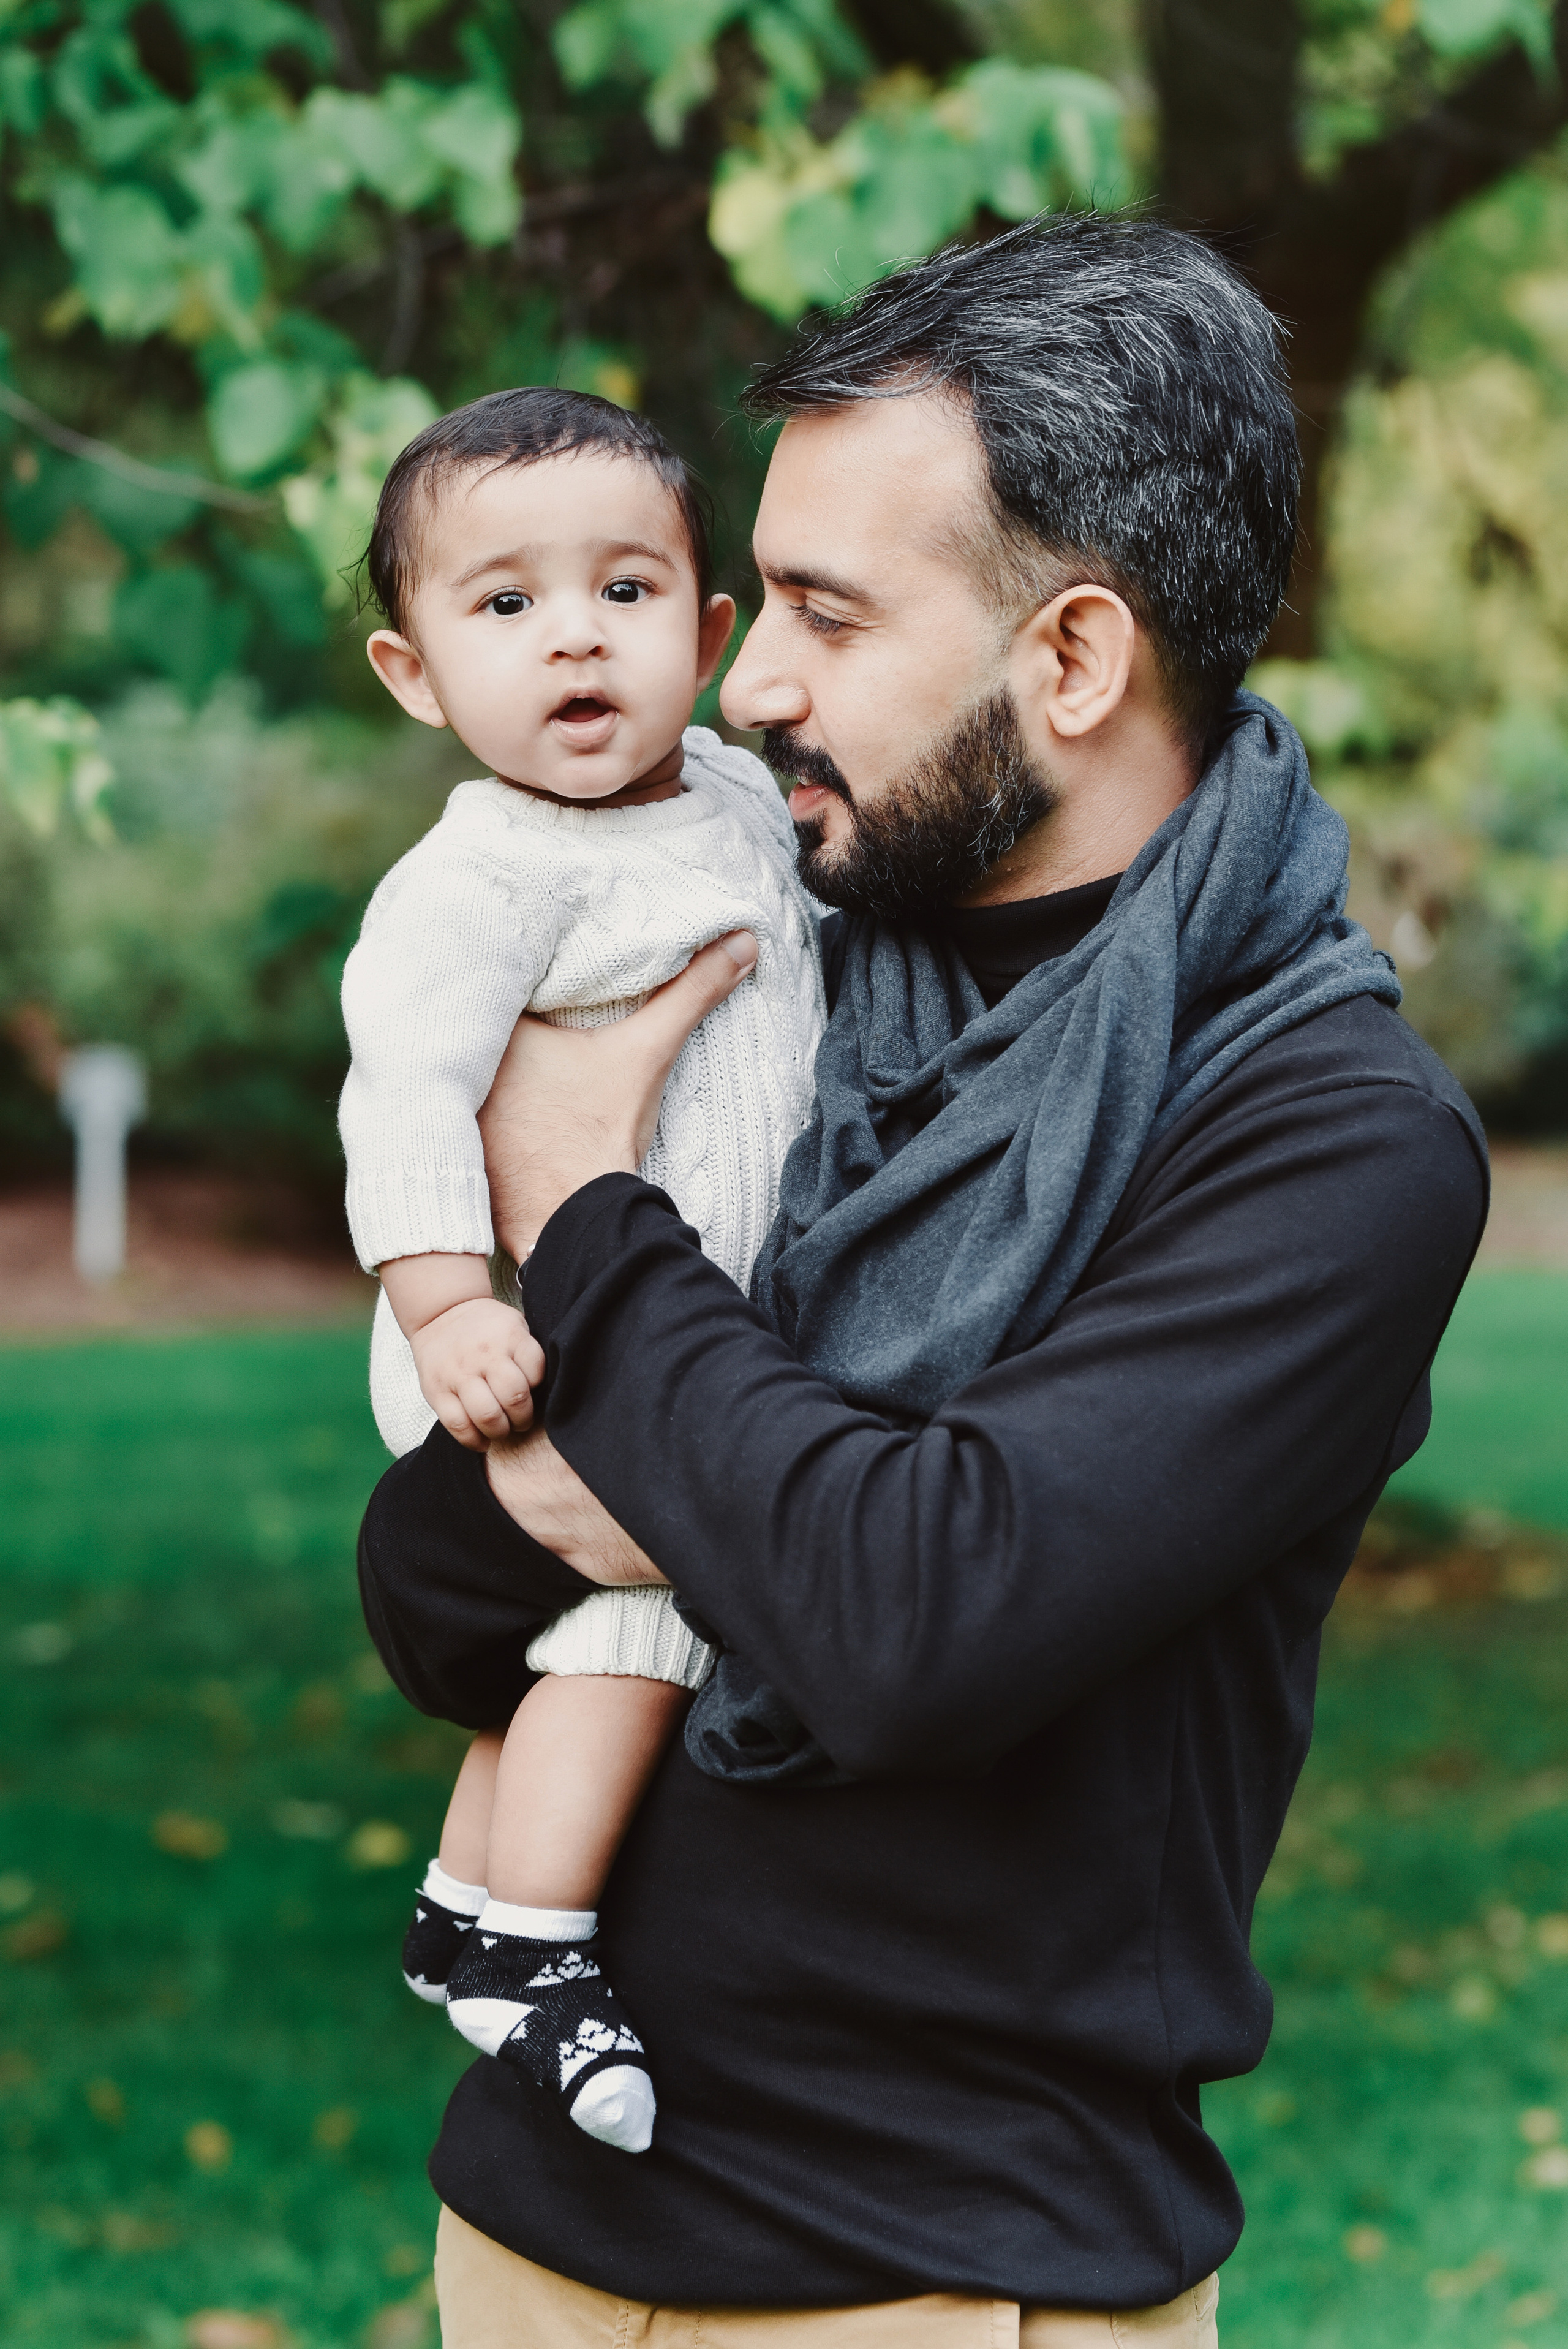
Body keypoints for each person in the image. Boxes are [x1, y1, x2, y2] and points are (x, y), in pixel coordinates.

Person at [356, 214, 1489, 2345]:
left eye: (823, 610)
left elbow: (908, 1619)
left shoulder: (1325, 1138)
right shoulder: (765, 972)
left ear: (1070, 657)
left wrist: (595, 1214)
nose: (745, 676)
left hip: (939, 2269)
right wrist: (640, 1467)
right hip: (528, 2234)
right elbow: (426, 1600)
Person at [339, 386, 824, 2153]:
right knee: (644, 1609)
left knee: (606, 1620)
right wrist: (448, 1304)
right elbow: (404, 1097)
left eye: (627, 594)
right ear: (414, 674)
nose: (575, 640)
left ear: (707, 635)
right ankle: (529, 1945)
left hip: (671, 1303)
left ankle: (474, 1911)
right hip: (530, 1323)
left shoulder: (744, 798)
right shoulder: (480, 878)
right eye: (505, 605)